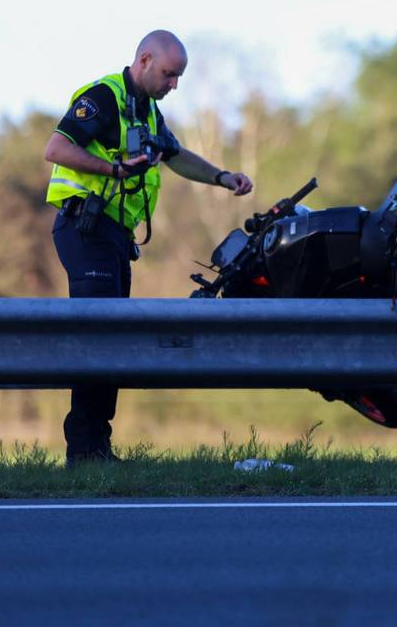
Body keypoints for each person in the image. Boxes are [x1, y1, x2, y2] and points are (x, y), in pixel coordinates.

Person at [43, 29, 253, 464]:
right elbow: (56, 148)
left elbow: (176, 156)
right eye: (169, 75)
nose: (173, 86)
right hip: (85, 229)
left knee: (111, 338)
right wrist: (113, 168)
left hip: (113, 236)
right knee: (99, 337)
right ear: (143, 61)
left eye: (178, 78)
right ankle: (83, 451)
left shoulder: (148, 112)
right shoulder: (104, 97)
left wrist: (222, 177)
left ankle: (96, 447)